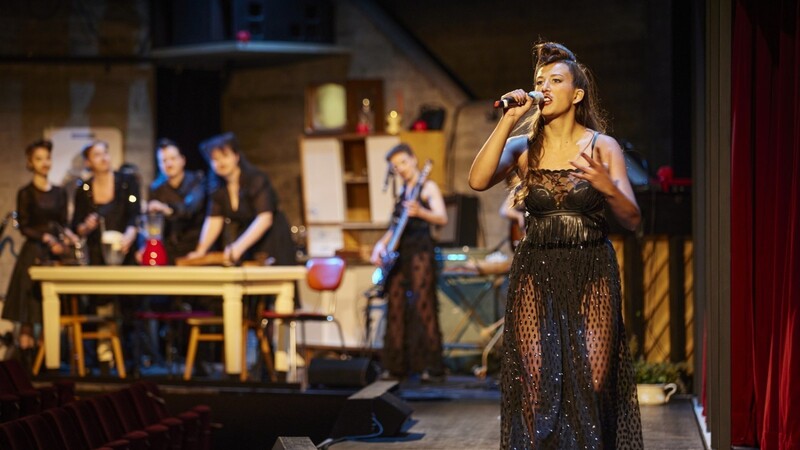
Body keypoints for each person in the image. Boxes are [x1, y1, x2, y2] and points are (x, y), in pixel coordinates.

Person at [468, 42, 643, 448]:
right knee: (534, 379)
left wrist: (605, 187)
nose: (544, 87)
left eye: (555, 80)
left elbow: (633, 218)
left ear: (576, 94)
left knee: (595, 378)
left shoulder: (603, 146)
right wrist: (508, 120)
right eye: (538, 81)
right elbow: (477, 180)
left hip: (592, 267)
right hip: (536, 269)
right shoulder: (524, 147)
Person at [370, 143, 448, 381]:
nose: (401, 168)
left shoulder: (427, 186)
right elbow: (395, 227)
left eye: (403, 162)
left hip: (420, 251)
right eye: (395, 166)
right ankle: (397, 366)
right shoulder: (403, 191)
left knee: (423, 306)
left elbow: (442, 218)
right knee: (395, 305)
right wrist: (380, 244)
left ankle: (432, 366)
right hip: (400, 253)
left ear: (413, 159)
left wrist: (421, 212)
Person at [3, 139, 75, 369]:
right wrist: (44, 237)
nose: (45, 163)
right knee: (28, 307)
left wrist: (64, 240)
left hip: (54, 254)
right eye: (39, 158)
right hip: (34, 251)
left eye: (47, 158)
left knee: (48, 310)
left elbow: (63, 223)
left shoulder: (59, 192)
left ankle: (46, 361)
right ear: (30, 163)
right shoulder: (26, 193)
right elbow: (24, 226)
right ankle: (25, 363)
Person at [71, 140, 141, 373]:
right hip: (98, 255)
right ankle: (103, 357)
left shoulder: (127, 183)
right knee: (101, 305)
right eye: (97, 155)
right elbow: (76, 228)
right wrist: (86, 226)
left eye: (105, 153)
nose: (104, 158)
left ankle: (131, 361)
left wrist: (130, 235)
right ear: (88, 162)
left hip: (124, 252)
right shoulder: (84, 190)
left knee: (127, 304)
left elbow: (135, 214)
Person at [187, 132, 295, 266]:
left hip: (272, 239)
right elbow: (214, 220)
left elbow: (264, 218)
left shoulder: (256, 179)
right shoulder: (218, 188)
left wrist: (238, 247)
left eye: (225, 156)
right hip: (248, 241)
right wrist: (200, 251)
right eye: (215, 159)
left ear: (236, 156)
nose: (220, 163)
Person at [146, 138, 206, 263]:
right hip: (168, 250)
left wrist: (166, 209)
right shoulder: (156, 188)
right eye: (163, 160)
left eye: (173, 159)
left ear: (182, 160)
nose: (169, 164)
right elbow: (151, 224)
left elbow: (190, 209)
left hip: (195, 248)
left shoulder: (197, 181)